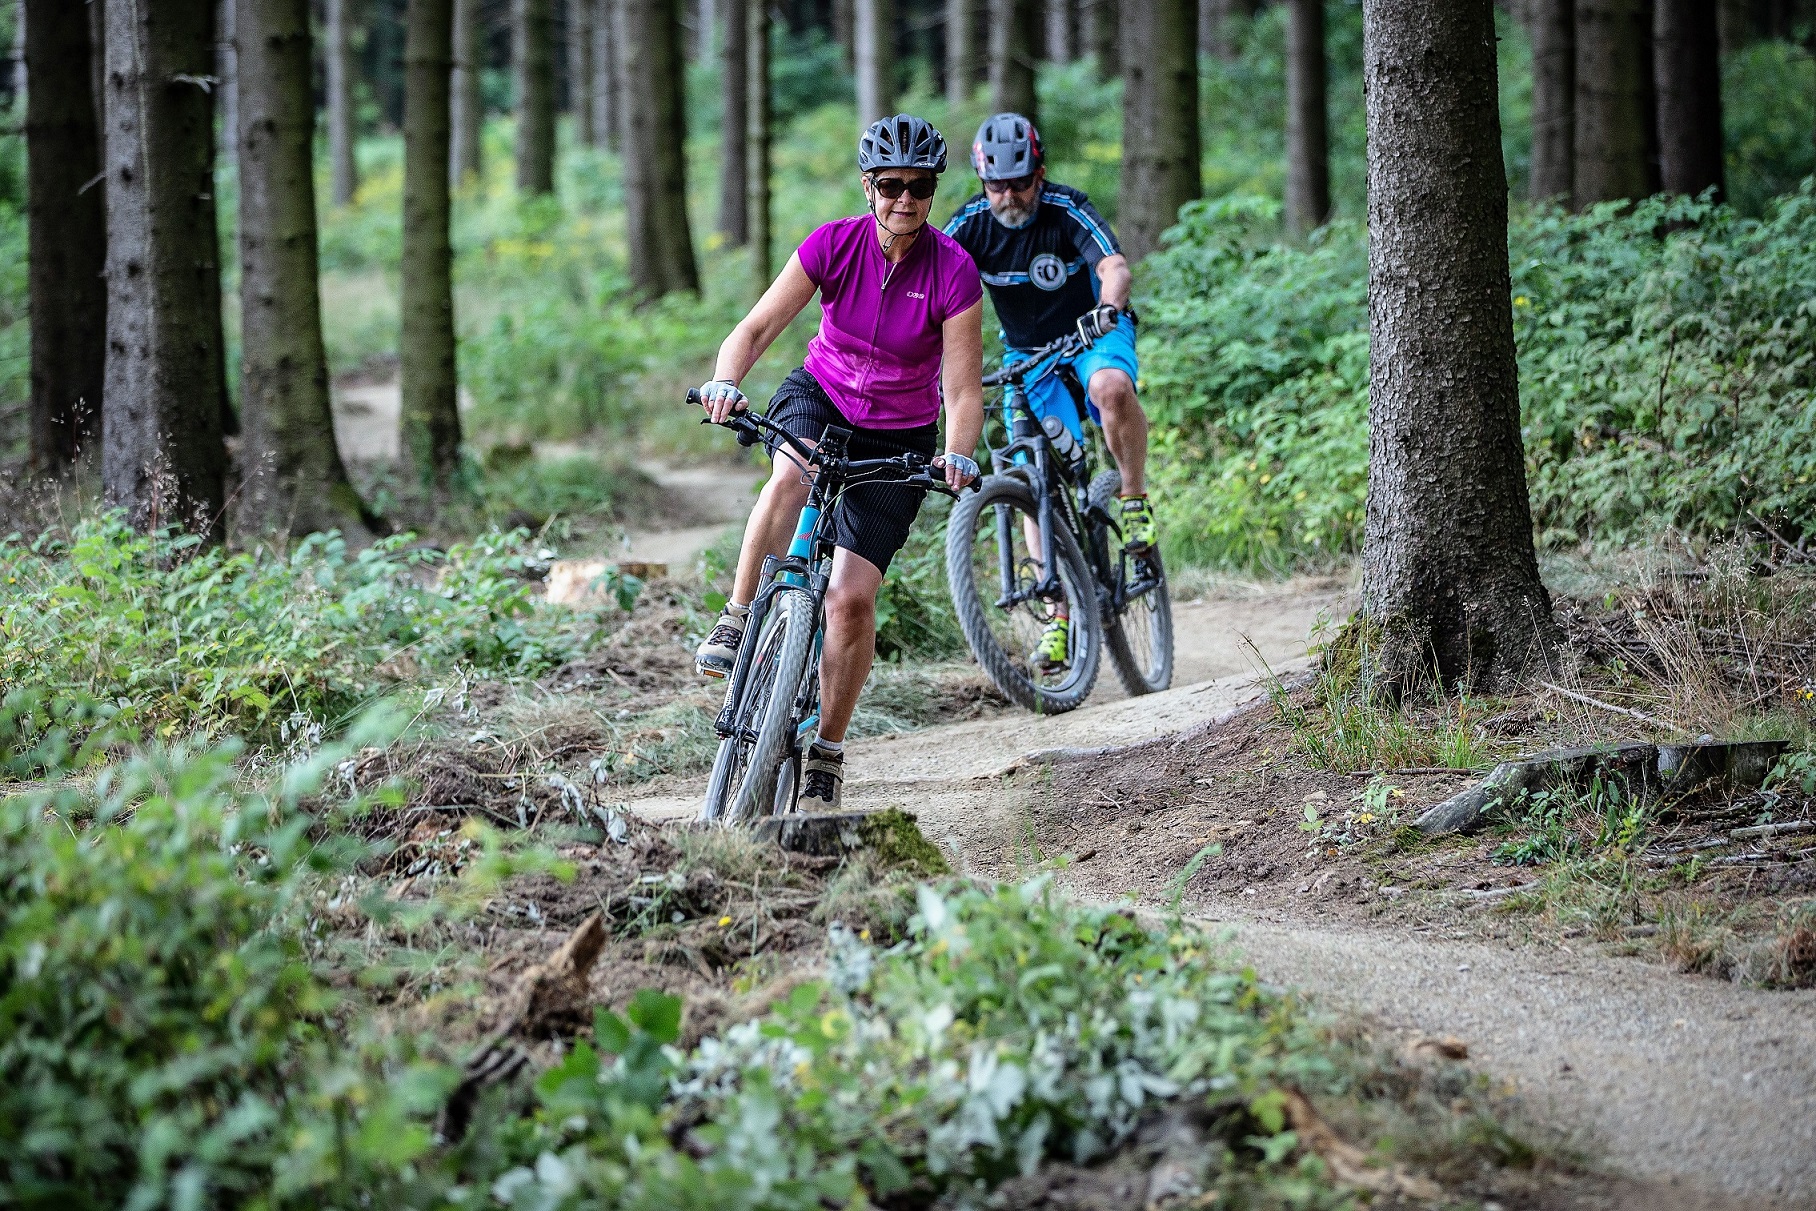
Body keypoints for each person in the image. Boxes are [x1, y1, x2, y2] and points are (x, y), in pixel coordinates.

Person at [692, 114, 985, 811]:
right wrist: (727, 380)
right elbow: (758, 326)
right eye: (890, 186)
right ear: (868, 186)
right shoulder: (833, 245)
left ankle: (826, 746)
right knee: (790, 474)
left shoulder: (955, 271)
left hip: (900, 433)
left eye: (918, 187)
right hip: (820, 396)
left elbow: (962, 389)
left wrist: (957, 454)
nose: (904, 200)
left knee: (850, 600)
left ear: (932, 191)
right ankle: (737, 616)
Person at [943, 113, 1155, 671]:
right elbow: (928, 281)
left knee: (1110, 388)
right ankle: (1060, 613)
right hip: (1026, 358)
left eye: (1020, 182)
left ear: (1041, 173)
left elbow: (1113, 265)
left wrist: (1109, 306)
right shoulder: (969, 225)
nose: (1009, 196)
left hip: (1091, 336)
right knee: (1026, 474)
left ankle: (1131, 498)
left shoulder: (1067, 209)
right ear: (982, 181)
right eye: (997, 186)